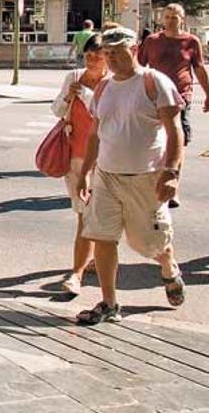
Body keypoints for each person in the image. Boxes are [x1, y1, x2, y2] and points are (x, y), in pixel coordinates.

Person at [75, 27, 186, 325]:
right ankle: (109, 303)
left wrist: (172, 172)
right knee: (102, 237)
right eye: (106, 54)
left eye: (117, 53)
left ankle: (168, 266)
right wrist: (86, 171)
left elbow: (175, 130)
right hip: (107, 176)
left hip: (145, 177)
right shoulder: (104, 88)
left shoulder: (154, 82)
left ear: (134, 49)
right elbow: (96, 134)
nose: (110, 59)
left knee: (148, 244)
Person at [137, 3, 209, 207]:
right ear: (162, 19)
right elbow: (139, 67)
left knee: (178, 138)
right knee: (152, 138)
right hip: (153, 97)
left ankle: (173, 184)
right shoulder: (151, 41)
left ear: (182, 18)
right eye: (167, 16)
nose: (170, 20)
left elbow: (199, 68)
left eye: (175, 16)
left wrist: (208, 93)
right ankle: (150, 181)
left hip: (180, 97)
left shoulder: (191, 41)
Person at [51, 34, 107, 296]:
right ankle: (79, 270)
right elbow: (57, 110)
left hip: (106, 158)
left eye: (98, 55)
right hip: (75, 156)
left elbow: (103, 113)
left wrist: (84, 94)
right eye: (88, 55)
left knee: (98, 215)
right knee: (84, 214)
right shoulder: (73, 77)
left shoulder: (113, 82)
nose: (92, 60)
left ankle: (79, 270)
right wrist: (67, 98)